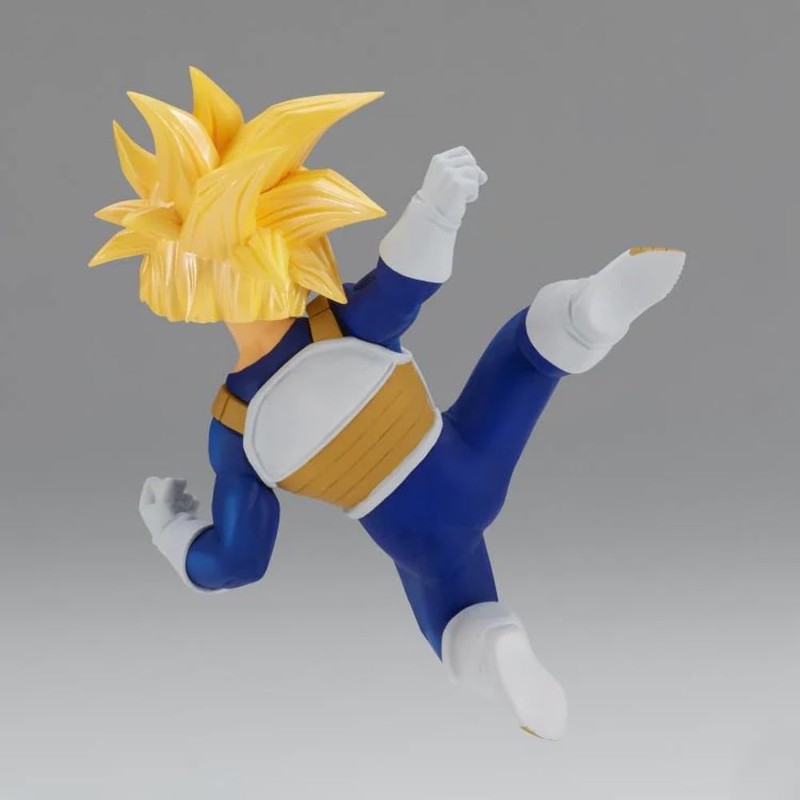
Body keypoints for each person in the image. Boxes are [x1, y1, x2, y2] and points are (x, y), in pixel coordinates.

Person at [92, 68, 685, 740]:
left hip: (409, 536)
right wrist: (438, 205)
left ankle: (497, 647)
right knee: (524, 355)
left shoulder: (235, 429)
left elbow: (239, 562)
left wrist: (172, 532)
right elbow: (408, 281)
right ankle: (587, 314)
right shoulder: (339, 324)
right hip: (464, 463)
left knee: (459, 615)